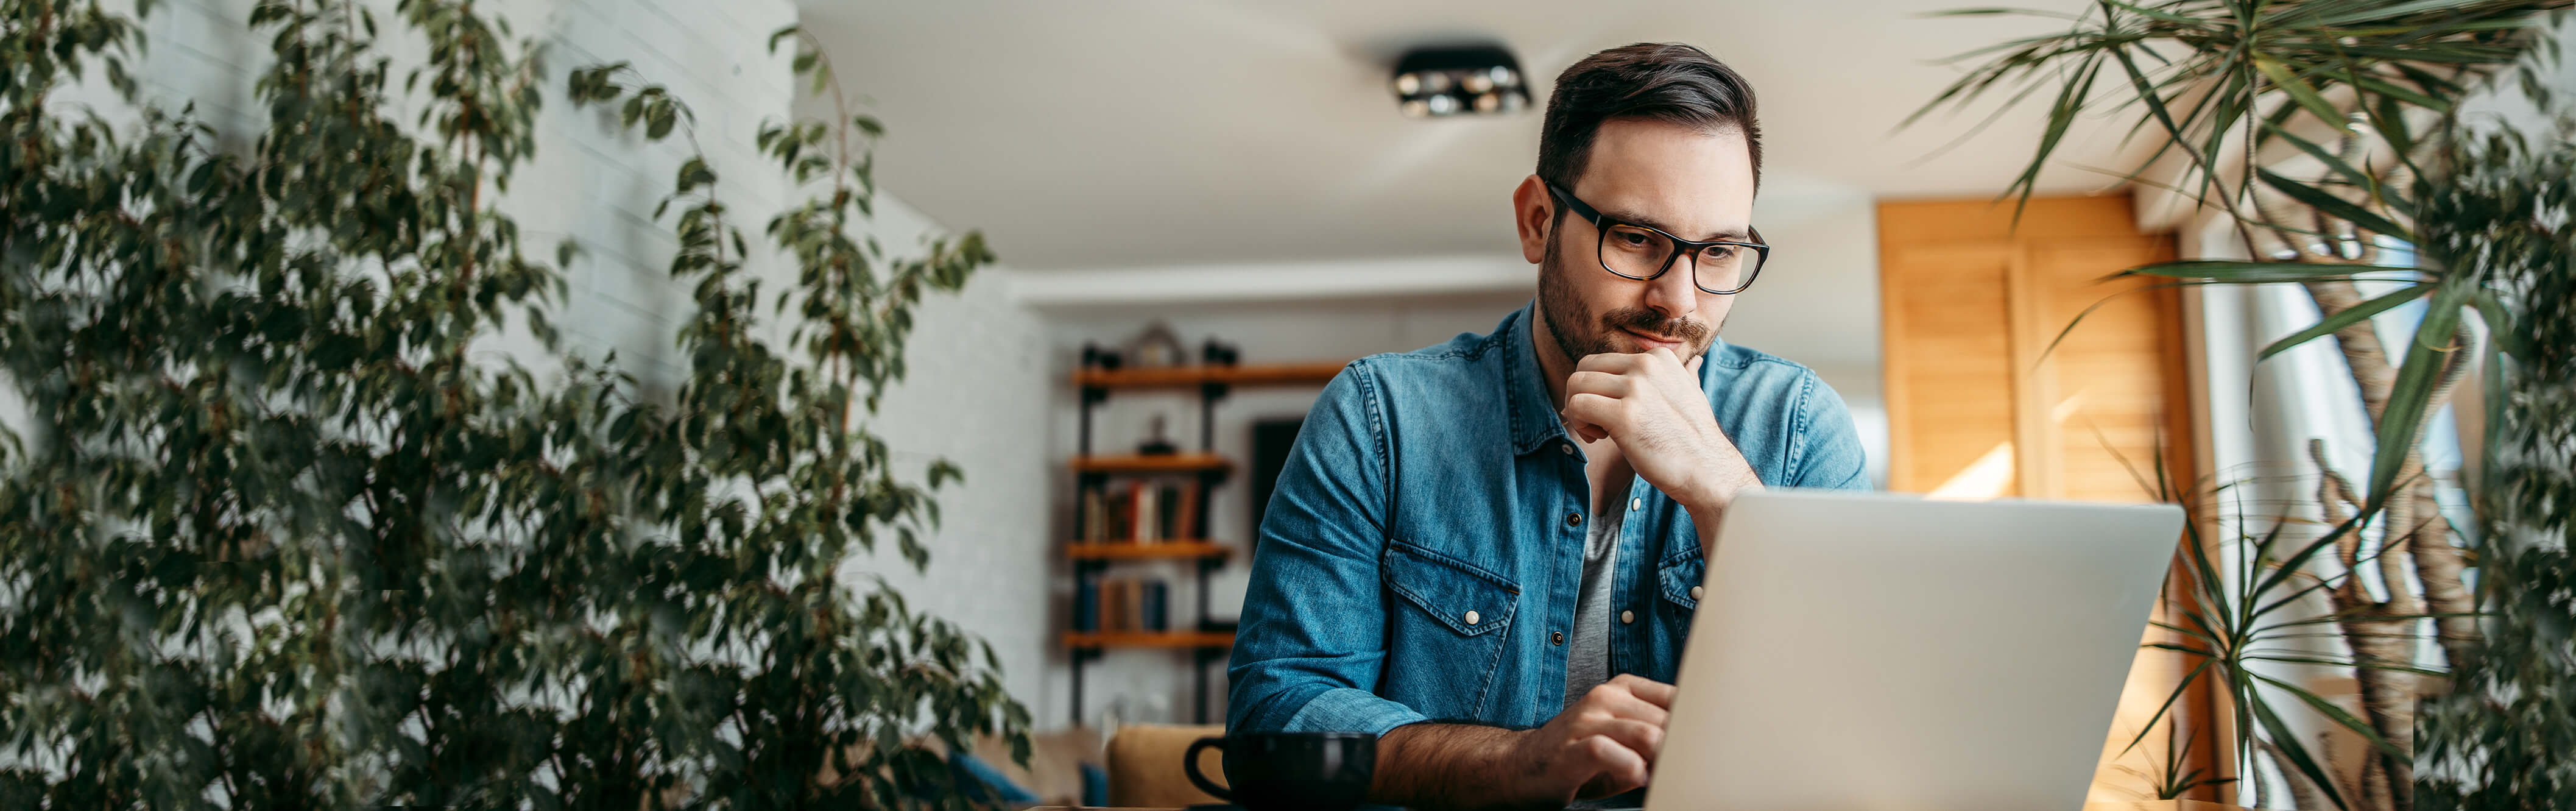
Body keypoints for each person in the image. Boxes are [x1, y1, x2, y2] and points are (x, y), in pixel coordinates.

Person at [1224, 42, 1871, 809]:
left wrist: (1722, 493)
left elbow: (1863, 729)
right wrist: (1519, 761)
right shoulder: (1380, 419)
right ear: (1537, 221)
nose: (1680, 299)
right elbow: (1277, 719)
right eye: (1635, 238)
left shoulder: (1797, 426)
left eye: (1719, 252)